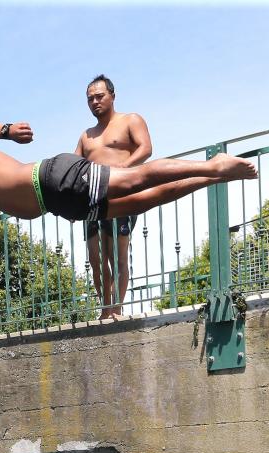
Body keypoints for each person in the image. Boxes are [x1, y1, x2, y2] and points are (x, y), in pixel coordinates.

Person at [0, 126, 257, 309]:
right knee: (140, 203)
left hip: (53, 180)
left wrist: (8, 130)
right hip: (59, 203)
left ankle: (212, 165)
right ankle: (213, 178)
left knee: (134, 180)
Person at [76, 75, 152, 318]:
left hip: (121, 196)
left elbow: (146, 148)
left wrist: (121, 169)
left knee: (118, 257)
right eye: (90, 99)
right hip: (93, 201)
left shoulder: (130, 120)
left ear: (112, 96)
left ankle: (117, 309)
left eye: (99, 96)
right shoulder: (86, 136)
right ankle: (105, 309)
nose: (95, 102)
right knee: (97, 259)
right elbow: (74, 168)